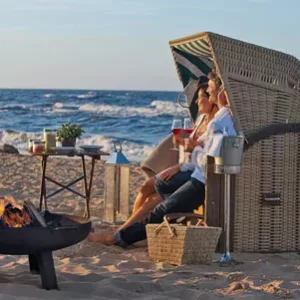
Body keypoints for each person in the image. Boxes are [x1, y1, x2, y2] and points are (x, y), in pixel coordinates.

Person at [87, 71, 235, 246]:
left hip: (203, 182)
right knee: (156, 190)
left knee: (160, 208)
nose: (208, 92)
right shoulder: (219, 119)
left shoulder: (222, 123)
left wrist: (194, 149)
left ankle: (117, 238)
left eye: (210, 88)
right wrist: (192, 150)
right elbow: (205, 154)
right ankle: (129, 230)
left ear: (222, 93)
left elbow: (212, 159)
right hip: (198, 175)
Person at [117, 82, 217, 232]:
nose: (196, 101)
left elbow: (204, 156)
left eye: (201, 97)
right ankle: (130, 223)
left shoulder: (216, 126)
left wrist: (189, 150)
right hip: (187, 166)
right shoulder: (201, 120)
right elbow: (193, 147)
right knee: (146, 186)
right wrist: (183, 146)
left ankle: (128, 229)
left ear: (211, 99)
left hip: (195, 173)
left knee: (155, 198)